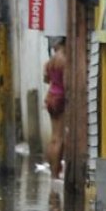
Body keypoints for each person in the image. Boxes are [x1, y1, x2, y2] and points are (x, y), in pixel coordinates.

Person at [43, 38, 67, 180]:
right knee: (60, 138)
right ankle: (55, 172)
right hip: (60, 98)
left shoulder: (49, 62)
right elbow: (66, 83)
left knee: (53, 137)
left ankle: (53, 171)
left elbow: (46, 79)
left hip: (50, 96)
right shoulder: (64, 60)